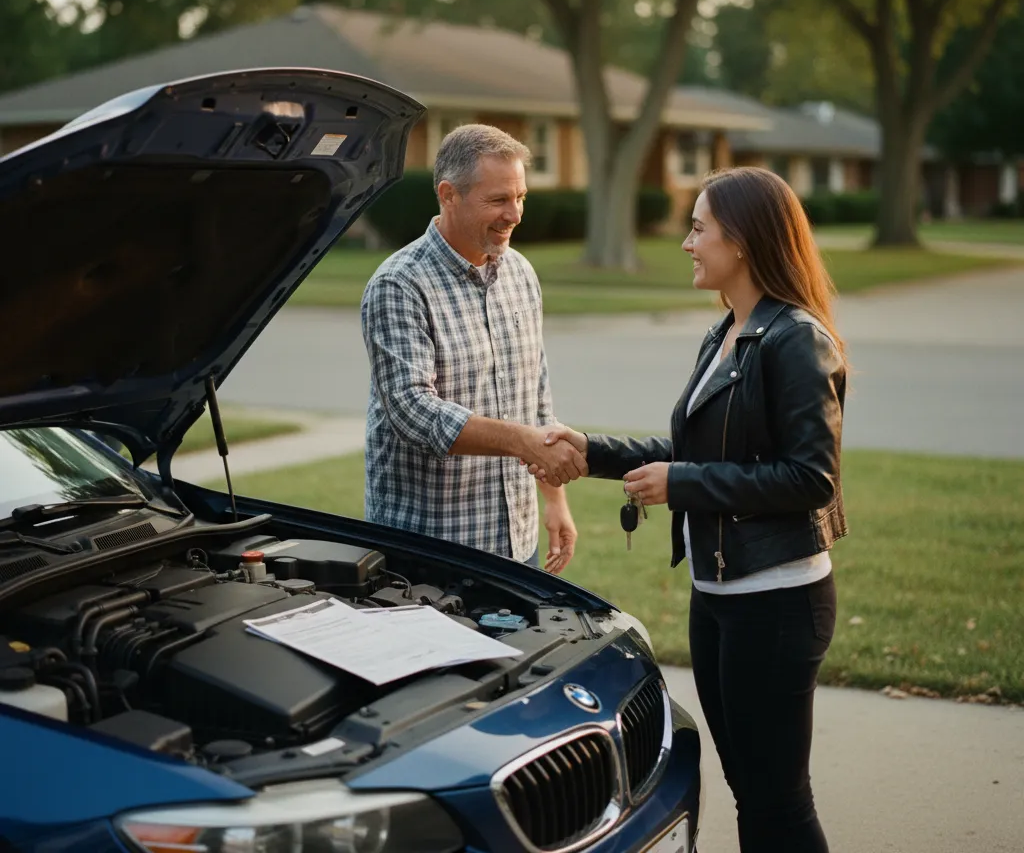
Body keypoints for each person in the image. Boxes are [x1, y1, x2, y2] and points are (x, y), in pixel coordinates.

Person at [538, 166, 847, 852]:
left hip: (776, 600)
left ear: (740, 240)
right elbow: (690, 447)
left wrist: (685, 485)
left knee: (778, 801)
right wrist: (592, 451)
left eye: (698, 227)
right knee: (751, 792)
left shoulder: (796, 338)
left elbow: (811, 477)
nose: (687, 243)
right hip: (718, 594)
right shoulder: (727, 333)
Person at [360, 123, 582, 573]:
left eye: (520, 197)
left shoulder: (520, 274)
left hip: (515, 540)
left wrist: (555, 500)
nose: (515, 214)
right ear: (448, 194)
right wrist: (522, 442)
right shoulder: (399, 284)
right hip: (430, 548)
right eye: (498, 200)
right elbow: (413, 412)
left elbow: (534, 397)